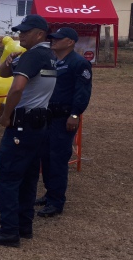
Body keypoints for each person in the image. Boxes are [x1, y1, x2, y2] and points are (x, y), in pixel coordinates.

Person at [0, 14, 57, 247]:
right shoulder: (48, 56)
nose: (20, 35)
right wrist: (9, 61)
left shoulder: (32, 56)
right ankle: (24, 226)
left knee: (8, 178)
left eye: (25, 31)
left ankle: (8, 231)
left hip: (22, 124)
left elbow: (16, 89)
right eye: (19, 31)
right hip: (39, 124)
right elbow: (5, 73)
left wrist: (5, 116)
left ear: (40, 34)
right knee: (28, 178)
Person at [36, 27, 92, 217]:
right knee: (46, 157)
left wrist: (75, 115)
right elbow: (44, 84)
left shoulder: (79, 63)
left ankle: (56, 201)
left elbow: (82, 92)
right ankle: (49, 193)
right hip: (46, 116)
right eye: (53, 38)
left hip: (63, 117)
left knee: (58, 159)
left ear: (70, 42)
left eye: (58, 39)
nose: (53, 41)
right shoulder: (52, 62)